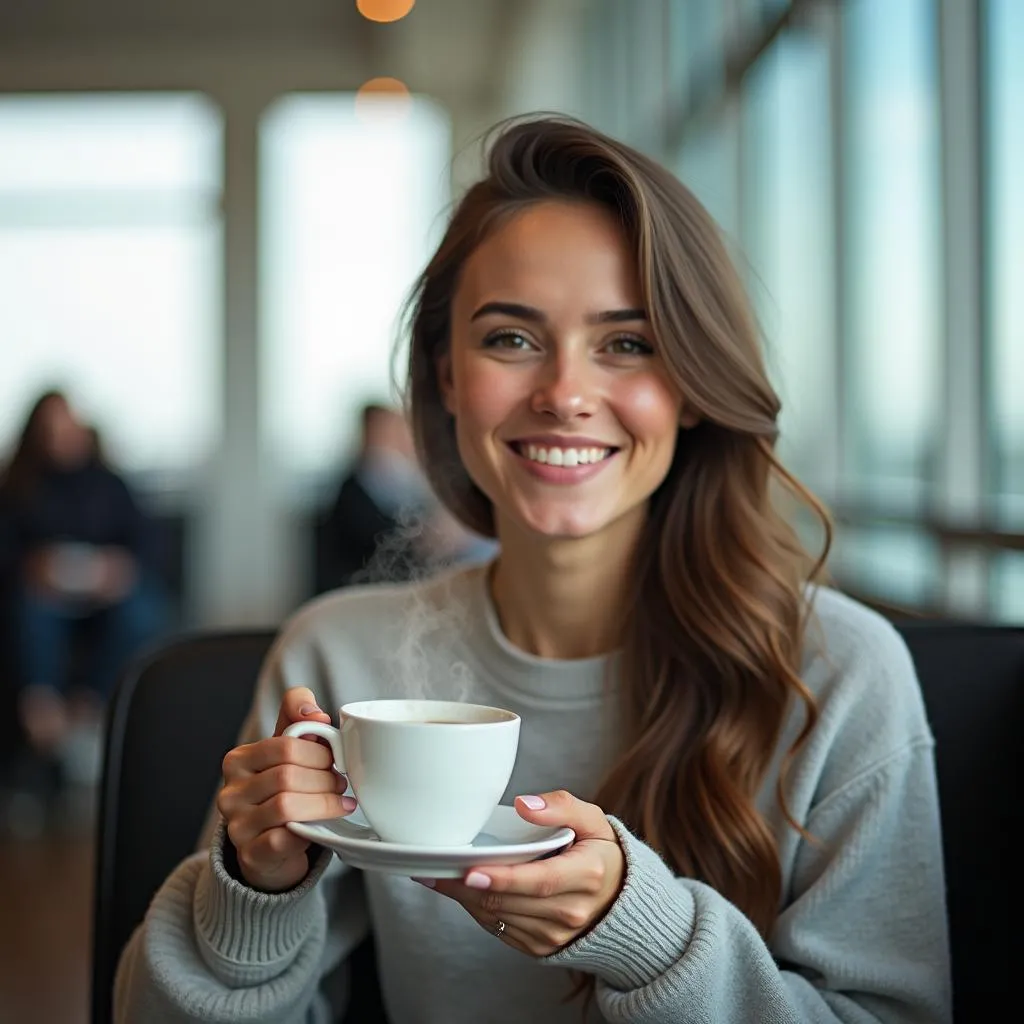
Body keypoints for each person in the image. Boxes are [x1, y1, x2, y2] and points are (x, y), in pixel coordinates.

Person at [114, 117, 951, 1023]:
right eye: (511, 339)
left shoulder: (838, 672)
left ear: (695, 386)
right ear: (444, 376)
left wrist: (654, 942)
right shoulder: (338, 661)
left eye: (627, 343)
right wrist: (254, 892)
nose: (563, 393)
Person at [0, 390, 170, 767]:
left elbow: (148, 543)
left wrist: (119, 568)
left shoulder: (109, 484)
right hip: (44, 596)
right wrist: (31, 567)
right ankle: (42, 709)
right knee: (28, 608)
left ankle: (87, 707)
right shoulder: (17, 487)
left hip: (105, 596)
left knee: (142, 608)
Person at [318, 401, 495, 591]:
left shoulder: (400, 480)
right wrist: (427, 538)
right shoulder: (362, 485)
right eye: (389, 431)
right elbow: (380, 537)